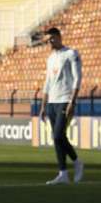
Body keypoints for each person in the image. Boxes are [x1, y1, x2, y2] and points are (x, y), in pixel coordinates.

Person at [38, 27, 84, 184]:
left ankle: (77, 162)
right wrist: (43, 105)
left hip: (65, 99)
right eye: (47, 40)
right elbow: (48, 82)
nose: (49, 42)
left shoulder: (71, 54)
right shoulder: (50, 58)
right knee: (58, 138)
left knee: (58, 135)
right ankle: (63, 173)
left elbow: (78, 78)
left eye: (51, 39)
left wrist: (73, 101)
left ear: (59, 37)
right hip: (52, 101)